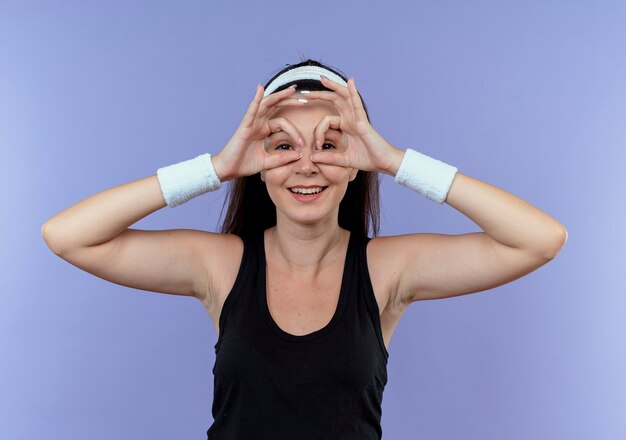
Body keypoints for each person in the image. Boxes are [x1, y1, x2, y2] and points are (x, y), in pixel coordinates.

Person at [42, 58, 568, 439]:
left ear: (355, 161)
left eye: (329, 143)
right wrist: (216, 168)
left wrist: (394, 160)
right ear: (259, 164)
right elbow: (67, 234)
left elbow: (539, 239)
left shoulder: (387, 270)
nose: (307, 164)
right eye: (284, 145)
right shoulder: (220, 265)